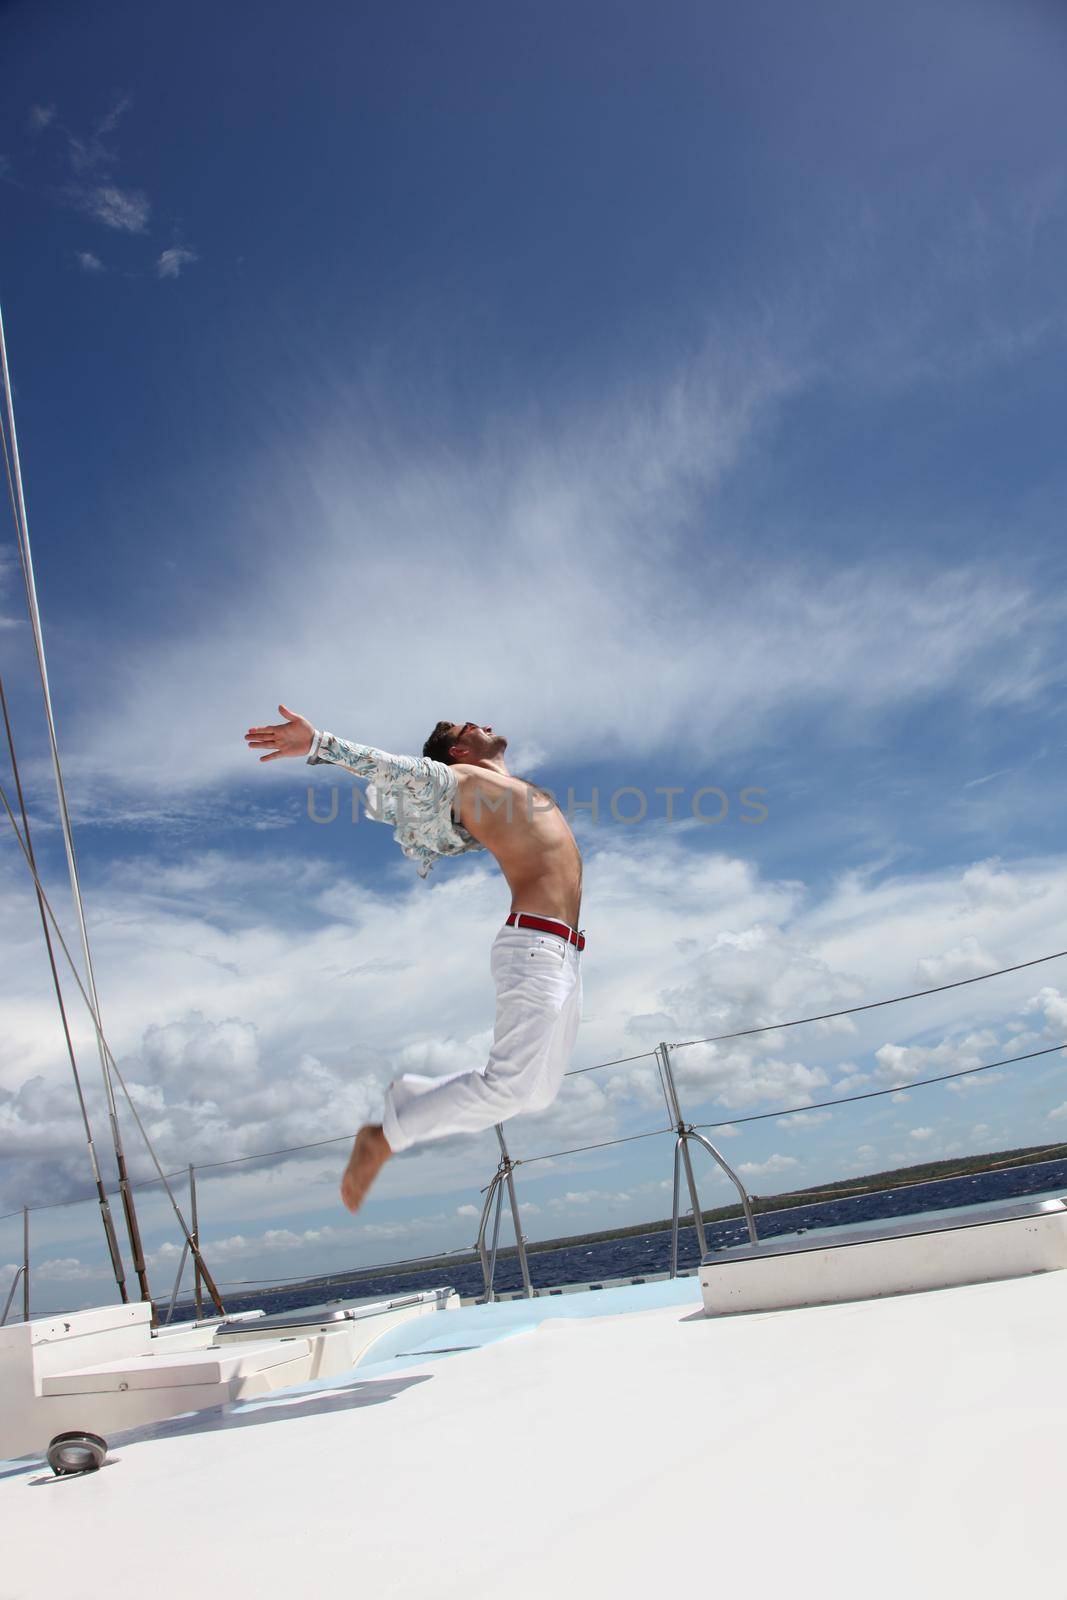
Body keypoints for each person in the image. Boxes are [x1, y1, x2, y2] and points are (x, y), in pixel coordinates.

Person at [244, 705, 584, 1213]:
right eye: (466, 727)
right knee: (511, 1087)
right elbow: (391, 768)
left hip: (563, 950)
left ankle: (410, 1097)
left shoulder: (504, 793)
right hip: (534, 944)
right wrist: (320, 744)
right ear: (459, 752)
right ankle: (383, 1137)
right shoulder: (462, 778)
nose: (481, 722)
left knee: (536, 1094)